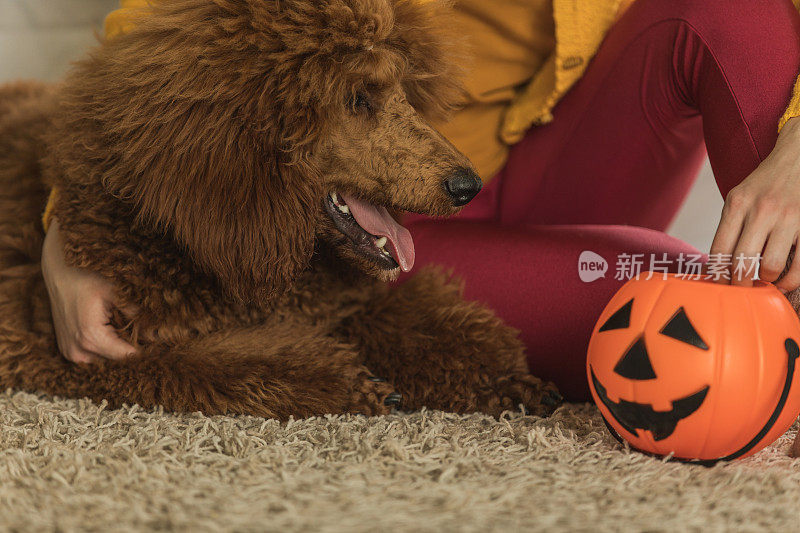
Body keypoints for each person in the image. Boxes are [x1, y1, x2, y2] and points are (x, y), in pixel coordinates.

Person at [42, 0, 800, 400]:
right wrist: (72, 225)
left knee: (736, 8)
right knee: (686, 303)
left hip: (571, 157)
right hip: (385, 225)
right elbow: (155, 47)